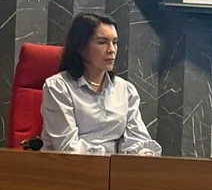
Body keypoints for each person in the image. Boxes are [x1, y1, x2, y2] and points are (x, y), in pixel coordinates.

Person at [40, 13, 161, 156]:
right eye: (102, 42)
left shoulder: (125, 90)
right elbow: (67, 147)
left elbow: (136, 138)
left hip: (115, 167)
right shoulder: (58, 87)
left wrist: (144, 154)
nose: (111, 50)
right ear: (80, 47)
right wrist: (109, 157)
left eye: (114, 42)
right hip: (72, 166)